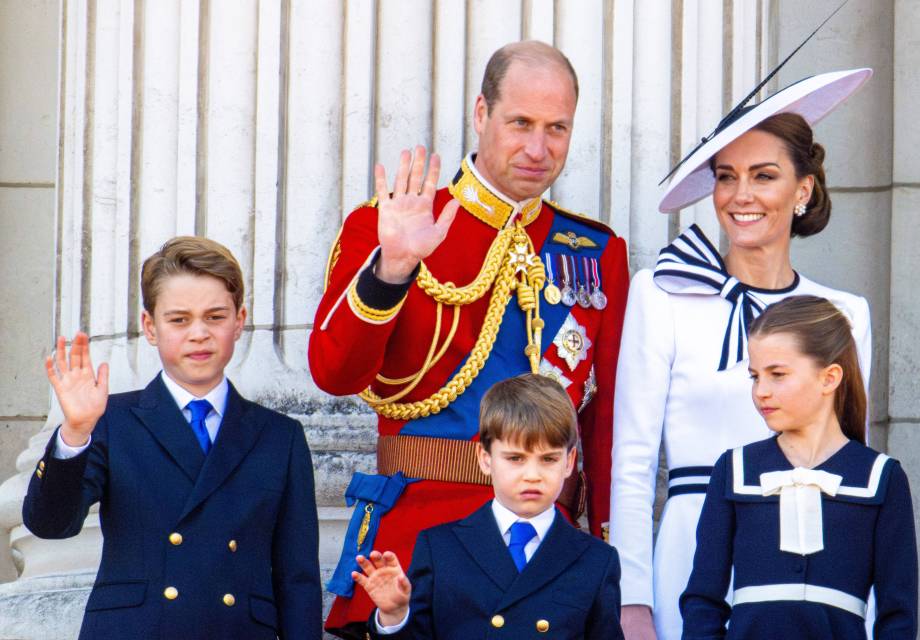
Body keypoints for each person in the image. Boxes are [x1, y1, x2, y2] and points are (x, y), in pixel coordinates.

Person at [310, 41, 628, 638]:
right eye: (521, 124)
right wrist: (393, 268)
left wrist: (603, 544)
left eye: (557, 128)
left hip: (546, 559)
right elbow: (333, 372)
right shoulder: (392, 222)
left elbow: (604, 420)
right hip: (416, 546)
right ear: (481, 114)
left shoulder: (595, 252)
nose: (539, 149)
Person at [609, 68, 875, 640]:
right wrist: (632, 600)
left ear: (802, 190)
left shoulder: (843, 313)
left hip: (810, 562)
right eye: (726, 177)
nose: (741, 195)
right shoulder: (660, 293)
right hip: (689, 554)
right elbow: (630, 463)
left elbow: (854, 466)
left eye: (764, 175)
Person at [22, 237, 322, 639]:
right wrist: (75, 432)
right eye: (179, 319)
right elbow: (51, 525)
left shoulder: (278, 436)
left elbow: (297, 578)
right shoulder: (112, 420)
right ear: (150, 327)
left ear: (240, 319)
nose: (199, 334)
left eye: (215, 316)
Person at [680, 295, 917, 639]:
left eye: (777, 374)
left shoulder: (882, 478)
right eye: (754, 376)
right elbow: (703, 599)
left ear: (829, 378)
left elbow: (898, 617)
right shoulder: (733, 470)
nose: (761, 391)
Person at [353, 374, 624, 639]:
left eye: (548, 459)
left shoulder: (596, 560)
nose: (532, 474)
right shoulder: (440, 548)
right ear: (485, 459)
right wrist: (394, 616)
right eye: (516, 458)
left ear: (569, 461)